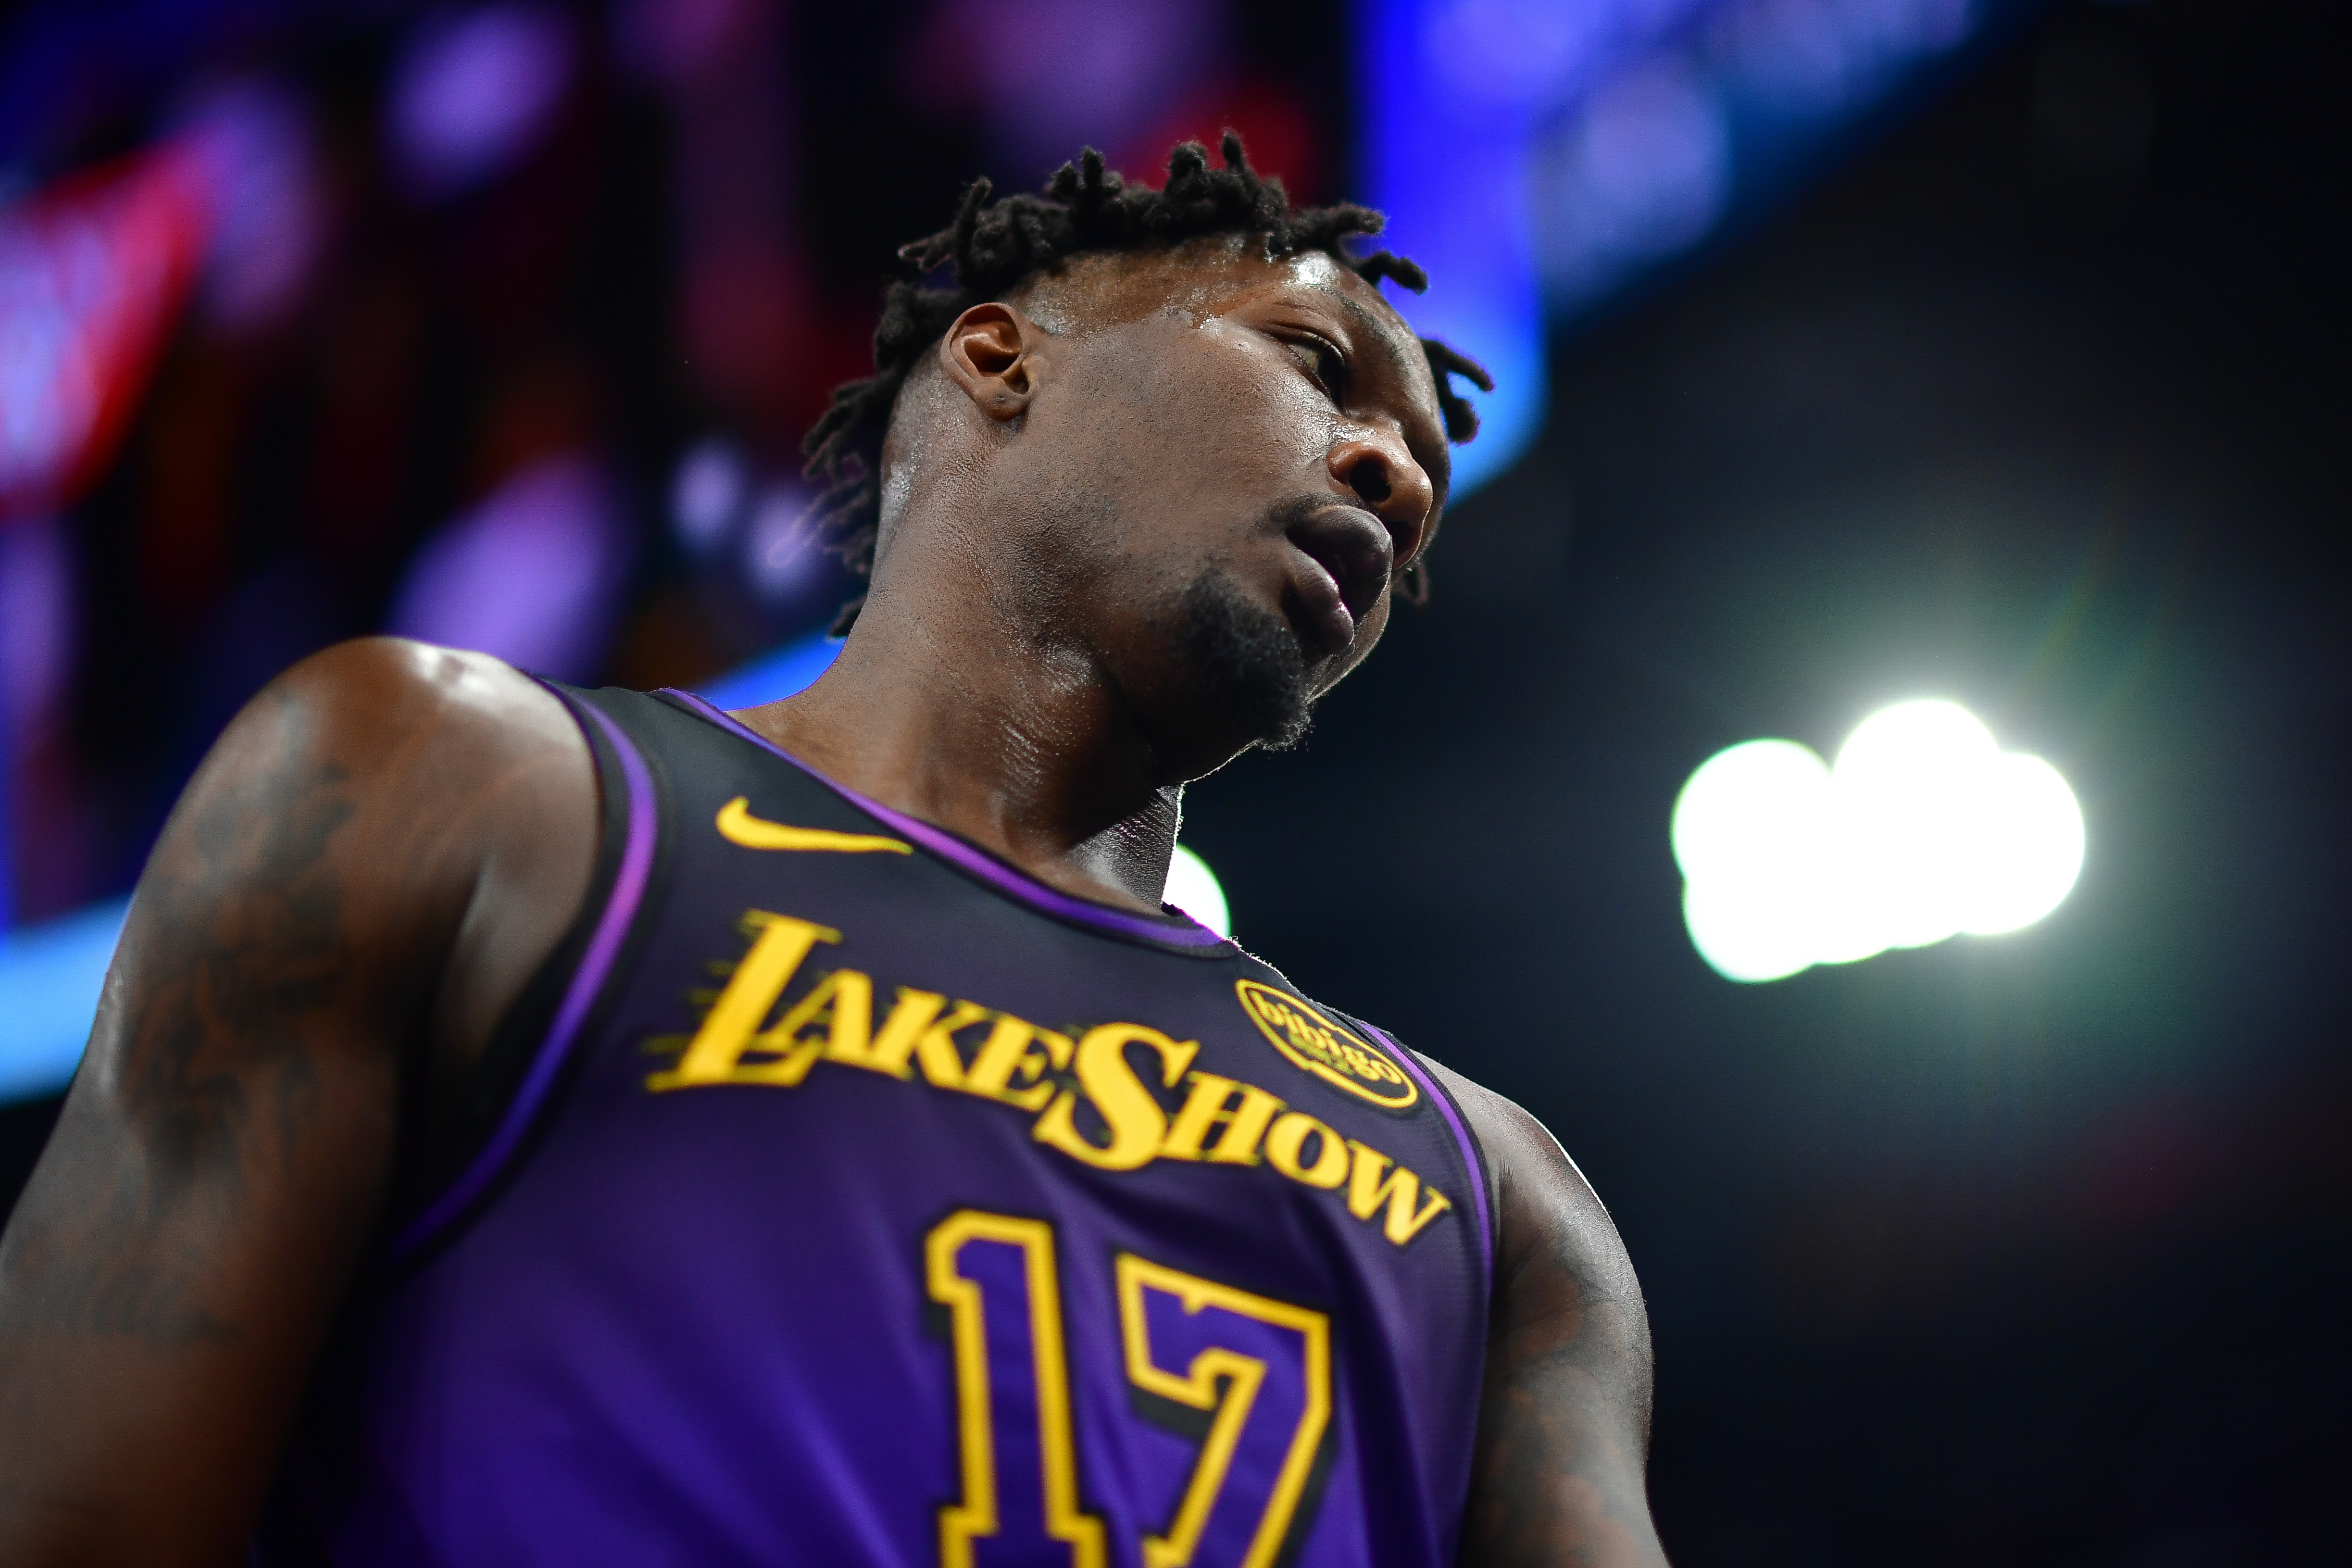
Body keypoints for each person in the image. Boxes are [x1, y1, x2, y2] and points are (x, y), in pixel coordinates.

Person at [0, 138, 1670, 1567]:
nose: (1393, 472)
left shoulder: (1501, 1200)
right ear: (1003, 360)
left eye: (1424, 477)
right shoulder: (449, 788)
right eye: (1315, 364)